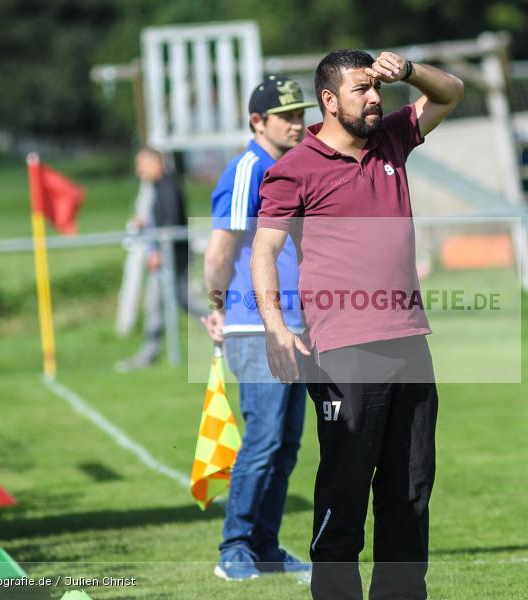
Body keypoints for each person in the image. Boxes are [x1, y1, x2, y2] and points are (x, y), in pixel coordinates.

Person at [251, 50, 463, 599]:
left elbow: (451, 93)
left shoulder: (392, 138)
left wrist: (410, 70)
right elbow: (264, 251)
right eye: (361, 90)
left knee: (411, 490)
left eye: (377, 88)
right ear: (328, 100)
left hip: (410, 341)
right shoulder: (295, 167)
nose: (374, 98)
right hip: (345, 352)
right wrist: (276, 326)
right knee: (345, 493)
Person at [203, 76, 315, 581]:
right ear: (257, 122)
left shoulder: (289, 165)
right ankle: (235, 548)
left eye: (300, 113)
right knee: (265, 438)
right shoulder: (248, 168)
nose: (297, 122)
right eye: (286, 115)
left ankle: (266, 547)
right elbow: (220, 249)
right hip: (256, 326)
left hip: (296, 327)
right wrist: (220, 306)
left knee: (287, 442)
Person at [115, 148, 206, 371]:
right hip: (170, 258)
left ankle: (150, 353)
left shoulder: (168, 187)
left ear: (156, 163)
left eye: (142, 164)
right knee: (182, 301)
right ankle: (224, 334)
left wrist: (158, 253)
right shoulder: (159, 187)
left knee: (161, 303)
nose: (139, 170)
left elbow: (171, 223)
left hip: (173, 258)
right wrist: (145, 222)